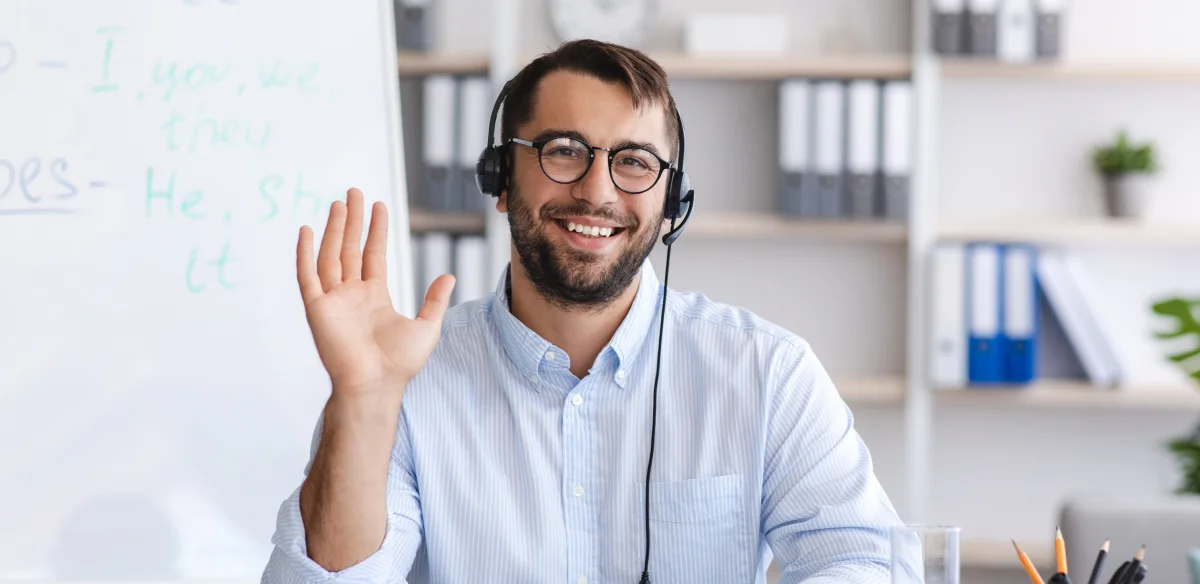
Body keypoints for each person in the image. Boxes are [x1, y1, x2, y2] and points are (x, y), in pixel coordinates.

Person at [261, 39, 905, 584]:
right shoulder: (403, 383)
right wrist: (365, 400)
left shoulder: (766, 372)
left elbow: (864, 559)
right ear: (500, 178)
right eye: (564, 149)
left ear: (671, 201)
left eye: (633, 161)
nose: (597, 191)